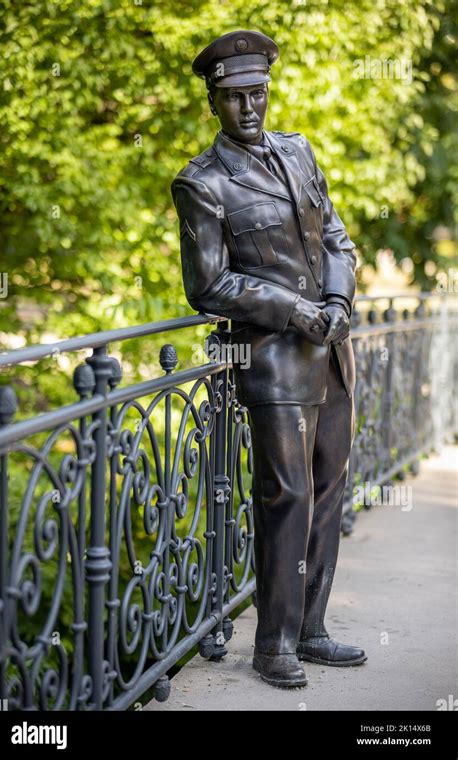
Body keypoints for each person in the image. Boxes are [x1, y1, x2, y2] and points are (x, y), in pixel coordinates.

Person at [171, 29, 366, 689]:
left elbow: (337, 234)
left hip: (333, 353)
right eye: (234, 98)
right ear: (214, 102)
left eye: (257, 93)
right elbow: (208, 285)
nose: (249, 108)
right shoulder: (201, 182)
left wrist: (338, 297)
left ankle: (312, 630)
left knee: (329, 489)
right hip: (274, 360)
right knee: (286, 495)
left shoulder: (300, 152)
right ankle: (273, 643)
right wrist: (293, 308)